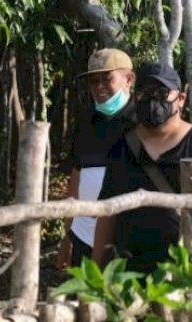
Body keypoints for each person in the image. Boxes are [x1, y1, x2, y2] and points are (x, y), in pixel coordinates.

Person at [92, 63, 192, 272]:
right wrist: (96, 273)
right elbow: (107, 215)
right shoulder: (121, 146)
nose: (152, 99)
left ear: (181, 99)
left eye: (161, 92)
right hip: (127, 274)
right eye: (144, 93)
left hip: (184, 272)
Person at [56, 48, 136, 270]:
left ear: (128, 79)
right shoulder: (85, 122)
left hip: (127, 236)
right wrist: (68, 237)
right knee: (85, 300)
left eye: (106, 79)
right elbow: (76, 179)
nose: (99, 87)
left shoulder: (141, 122)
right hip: (84, 234)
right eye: (93, 81)